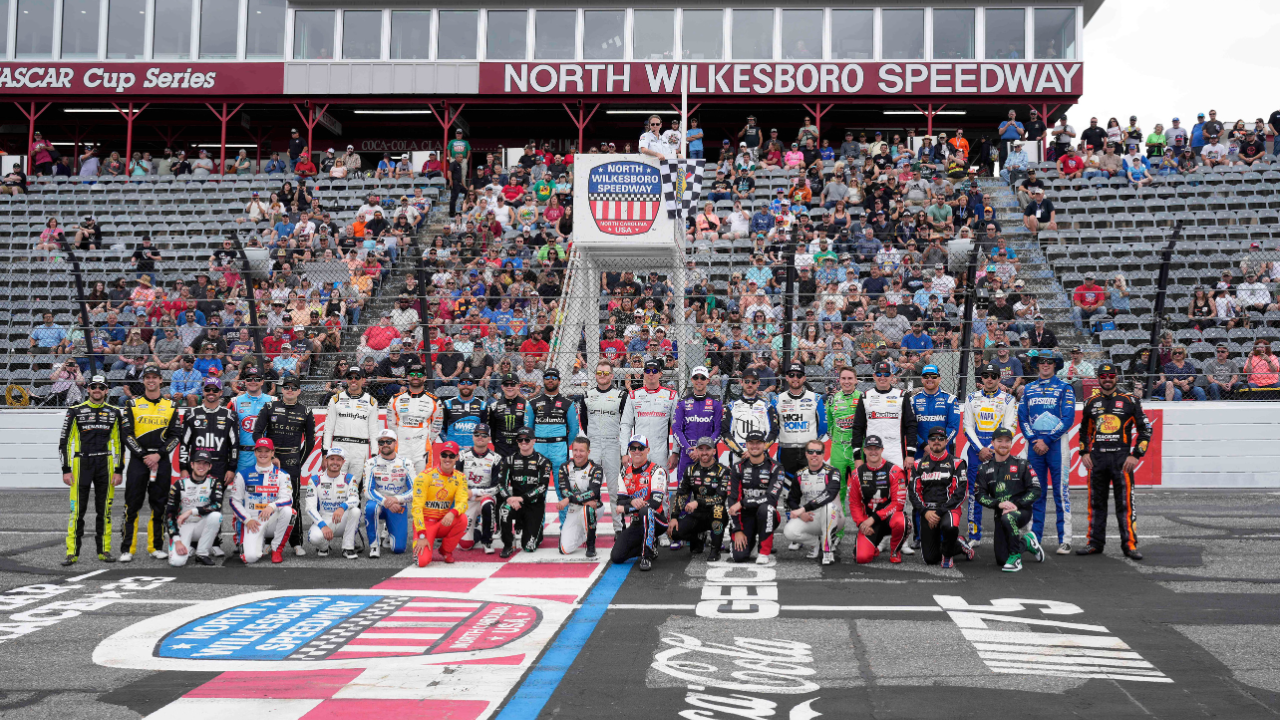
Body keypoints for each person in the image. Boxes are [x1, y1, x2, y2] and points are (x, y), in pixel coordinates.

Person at [1078, 363, 1151, 560]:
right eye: (1103, 375)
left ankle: (1130, 545)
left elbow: (1146, 430)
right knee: (1096, 504)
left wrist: (1136, 455)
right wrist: (1084, 452)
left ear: (1116, 377)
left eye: (1111, 375)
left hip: (1122, 460)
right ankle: (1094, 543)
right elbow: (1084, 431)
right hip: (1097, 460)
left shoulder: (1130, 400)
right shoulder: (1091, 402)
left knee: (1125, 505)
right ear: (1098, 378)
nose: (1107, 379)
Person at [59, 375, 124, 565]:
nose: (97, 390)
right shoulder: (75, 411)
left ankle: (104, 550)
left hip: (105, 463)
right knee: (77, 511)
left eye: (101, 387)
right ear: (88, 389)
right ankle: (72, 552)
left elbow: (119, 444)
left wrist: (119, 470)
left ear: (106, 391)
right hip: (81, 464)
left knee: (105, 510)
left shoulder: (114, 412)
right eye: (93, 386)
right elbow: (64, 443)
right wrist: (66, 469)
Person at [120, 365, 181, 562]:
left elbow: (175, 436)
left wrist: (159, 455)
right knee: (132, 505)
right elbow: (126, 435)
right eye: (148, 377)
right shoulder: (132, 404)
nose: (151, 380)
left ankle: (155, 546)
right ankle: (127, 548)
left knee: (160, 505)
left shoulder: (170, 406)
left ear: (161, 380)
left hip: (161, 462)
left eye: (155, 377)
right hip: (139, 462)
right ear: (143, 381)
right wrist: (144, 455)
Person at [1018, 353, 1076, 553]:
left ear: (1056, 365)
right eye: (1042, 362)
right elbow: (1022, 418)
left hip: (1057, 445)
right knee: (1035, 493)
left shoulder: (1064, 388)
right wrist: (1035, 440)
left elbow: (1068, 418)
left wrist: (1048, 440)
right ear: (1037, 365)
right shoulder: (1028, 389)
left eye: (1049, 362)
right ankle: (1034, 539)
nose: (1045, 365)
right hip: (1034, 446)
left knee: (1061, 492)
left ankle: (1065, 539)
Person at [253, 373, 316, 555]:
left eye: (293, 388)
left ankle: (296, 543)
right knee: (268, 500)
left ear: (299, 391)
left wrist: (299, 460)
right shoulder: (269, 406)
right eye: (287, 387)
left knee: (293, 500)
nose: (290, 390)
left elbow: (310, 441)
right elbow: (257, 433)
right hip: (270, 463)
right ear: (282, 389)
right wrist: (269, 457)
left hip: (291, 463)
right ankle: (267, 541)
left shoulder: (305, 411)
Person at [961, 363, 1019, 545]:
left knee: (1003, 495)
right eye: (986, 375)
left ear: (999, 379)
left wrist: (992, 448)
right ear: (981, 378)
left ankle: (1004, 535)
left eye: (993, 376)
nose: (989, 379)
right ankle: (974, 535)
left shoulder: (1008, 400)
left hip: (999, 452)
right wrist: (981, 449)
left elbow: (1010, 427)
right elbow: (967, 427)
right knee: (974, 494)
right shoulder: (972, 398)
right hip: (976, 452)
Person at [973, 428, 1044, 572]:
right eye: (1000, 441)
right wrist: (998, 504)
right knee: (1001, 559)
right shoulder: (983, 468)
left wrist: (1016, 505)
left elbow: (1036, 490)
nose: (1004, 444)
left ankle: (1016, 558)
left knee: (1009, 517)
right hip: (1000, 513)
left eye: (1007, 441)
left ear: (1011, 443)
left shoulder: (1022, 464)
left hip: (1021, 511)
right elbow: (979, 495)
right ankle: (1027, 542)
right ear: (992, 443)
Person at [909, 363, 961, 547]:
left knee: (945, 493)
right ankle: (918, 536)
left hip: (944, 454)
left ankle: (945, 532)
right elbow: (911, 427)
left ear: (939, 378)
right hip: (921, 453)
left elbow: (954, 427)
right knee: (919, 493)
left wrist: (941, 444)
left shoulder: (950, 400)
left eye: (933, 376)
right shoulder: (913, 401)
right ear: (921, 379)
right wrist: (925, 445)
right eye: (926, 377)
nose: (929, 380)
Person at [911, 427, 975, 567]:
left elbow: (960, 494)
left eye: (940, 438)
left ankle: (947, 554)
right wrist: (925, 512)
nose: (936, 441)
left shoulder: (958, 463)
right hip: (928, 512)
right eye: (933, 439)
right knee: (930, 559)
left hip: (949, 510)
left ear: (947, 441)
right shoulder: (918, 464)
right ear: (928, 442)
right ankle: (958, 543)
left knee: (949, 527)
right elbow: (913, 493)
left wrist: (940, 512)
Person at [230, 438, 295, 564]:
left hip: (272, 518)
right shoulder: (243, 474)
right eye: (260, 451)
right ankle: (253, 542)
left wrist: (271, 506)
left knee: (289, 512)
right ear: (255, 452)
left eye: (267, 451)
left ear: (272, 453)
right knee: (250, 558)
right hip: (253, 521)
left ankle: (276, 548)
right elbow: (234, 501)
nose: (263, 454)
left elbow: (287, 498)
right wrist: (247, 519)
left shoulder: (283, 475)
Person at [526, 368, 580, 520]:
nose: (550, 380)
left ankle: (566, 530)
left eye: (554, 377)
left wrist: (562, 444)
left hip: (559, 451)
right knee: (538, 491)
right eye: (547, 377)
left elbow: (574, 429)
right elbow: (528, 430)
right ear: (543, 380)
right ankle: (536, 530)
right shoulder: (533, 403)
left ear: (559, 380)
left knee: (562, 490)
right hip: (539, 451)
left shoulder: (568, 403)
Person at [612, 434, 670, 570]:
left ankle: (646, 556)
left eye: (641, 448)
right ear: (629, 451)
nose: (637, 451)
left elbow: (655, 503)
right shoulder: (624, 473)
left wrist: (627, 509)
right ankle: (649, 546)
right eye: (633, 448)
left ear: (647, 450)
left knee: (646, 511)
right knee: (616, 556)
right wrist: (632, 501)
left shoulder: (657, 471)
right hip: (638, 522)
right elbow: (621, 502)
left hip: (658, 521)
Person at [582, 360, 629, 531]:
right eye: (599, 373)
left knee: (614, 490)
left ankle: (619, 529)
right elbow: (584, 422)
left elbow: (626, 424)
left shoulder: (620, 396)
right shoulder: (587, 395)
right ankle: (590, 529)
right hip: (593, 445)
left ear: (611, 375)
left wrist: (624, 450)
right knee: (591, 489)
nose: (602, 376)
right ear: (595, 375)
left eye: (606, 373)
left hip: (612, 445)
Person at [848, 434, 908, 564]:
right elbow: (854, 503)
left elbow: (898, 504)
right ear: (864, 450)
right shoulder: (857, 474)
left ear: (882, 450)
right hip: (869, 522)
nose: (873, 452)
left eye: (876, 448)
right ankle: (872, 545)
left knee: (902, 522)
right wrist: (861, 524)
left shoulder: (894, 471)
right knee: (861, 558)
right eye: (870, 448)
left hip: (889, 518)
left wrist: (874, 518)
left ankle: (895, 550)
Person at [727, 431, 785, 565]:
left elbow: (771, 498)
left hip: (766, 514)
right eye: (751, 443)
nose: (754, 446)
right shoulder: (737, 468)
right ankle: (750, 542)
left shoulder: (776, 468)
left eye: (758, 442)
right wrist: (737, 530)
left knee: (767, 509)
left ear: (764, 445)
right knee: (739, 557)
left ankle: (764, 552)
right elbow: (732, 501)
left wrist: (743, 502)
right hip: (745, 517)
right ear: (746, 445)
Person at [669, 436, 731, 562]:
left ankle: (715, 549)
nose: (704, 452)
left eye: (707, 449)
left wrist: (698, 502)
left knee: (718, 510)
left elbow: (720, 498)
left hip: (716, 513)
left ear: (714, 451)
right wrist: (674, 517)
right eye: (701, 449)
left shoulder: (723, 471)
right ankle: (699, 538)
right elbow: (681, 494)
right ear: (696, 451)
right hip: (698, 514)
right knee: (674, 531)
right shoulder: (690, 470)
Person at [781, 439, 843, 564]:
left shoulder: (833, 472)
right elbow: (792, 499)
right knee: (789, 531)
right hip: (811, 517)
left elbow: (829, 495)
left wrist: (803, 509)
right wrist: (800, 513)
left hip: (834, 516)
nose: (814, 455)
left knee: (828, 507)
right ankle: (815, 543)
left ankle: (827, 550)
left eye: (818, 452)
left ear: (823, 454)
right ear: (806, 454)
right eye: (811, 451)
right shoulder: (799, 475)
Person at [497, 427, 555, 558]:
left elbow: (542, 487)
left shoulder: (543, 461)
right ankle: (508, 544)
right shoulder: (509, 460)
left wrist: (521, 499)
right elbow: (501, 484)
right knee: (504, 510)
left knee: (529, 548)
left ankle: (533, 532)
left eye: (527, 439)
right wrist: (509, 499)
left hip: (534, 506)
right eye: (520, 439)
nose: (523, 442)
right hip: (515, 504)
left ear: (534, 441)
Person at [850, 362, 918, 471]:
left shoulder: (901, 396)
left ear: (891, 376)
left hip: (895, 452)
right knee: (871, 487)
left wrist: (910, 454)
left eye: (886, 374)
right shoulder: (865, 397)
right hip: (871, 452)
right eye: (879, 374)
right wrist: (857, 457)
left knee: (898, 487)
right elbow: (858, 427)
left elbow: (911, 425)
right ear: (874, 376)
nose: (882, 377)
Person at [411, 440, 468, 566]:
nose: (447, 459)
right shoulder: (425, 476)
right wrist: (421, 535)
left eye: (451, 456)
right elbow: (416, 507)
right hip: (425, 524)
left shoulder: (460, 477)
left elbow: (463, 502)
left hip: (443, 521)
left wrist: (453, 512)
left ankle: (445, 550)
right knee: (422, 562)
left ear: (457, 458)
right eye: (444, 455)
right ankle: (423, 543)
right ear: (439, 456)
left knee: (462, 519)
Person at [165, 451, 224, 567]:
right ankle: (186, 544)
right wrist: (177, 541)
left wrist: (191, 511)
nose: (201, 467)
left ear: (210, 466)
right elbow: (169, 515)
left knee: (216, 516)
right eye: (198, 463)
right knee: (177, 562)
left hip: (202, 524)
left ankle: (202, 553)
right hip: (184, 526)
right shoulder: (179, 484)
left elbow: (217, 505)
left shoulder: (214, 483)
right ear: (192, 465)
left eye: (205, 464)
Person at [363, 429, 416, 557]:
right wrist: (387, 502)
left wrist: (396, 499)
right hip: (379, 503)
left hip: (398, 505)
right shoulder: (371, 463)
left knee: (398, 549)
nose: (384, 444)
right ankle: (374, 546)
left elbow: (415, 491)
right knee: (370, 508)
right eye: (381, 442)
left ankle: (388, 529)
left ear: (395, 443)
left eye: (388, 441)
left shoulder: (406, 463)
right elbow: (367, 491)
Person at [323, 367, 381, 482]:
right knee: (336, 485)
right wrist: (325, 453)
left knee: (355, 487)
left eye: (357, 377)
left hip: (360, 449)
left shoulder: (372, 401)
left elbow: (374, 431)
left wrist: (374, 455)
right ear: (346, 380)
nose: (353, 380)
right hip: (339, 448)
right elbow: (328, 428)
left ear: (363, 380)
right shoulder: (335, 399)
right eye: (350, 377)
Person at [774, 363, 828, 478]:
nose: (795, 378)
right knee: (786, 488)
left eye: (799, 375)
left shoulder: (816, 398)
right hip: (786, 450)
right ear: (787, 377)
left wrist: (812, 441)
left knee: (810, 487)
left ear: (804, 378)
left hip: (809, 451)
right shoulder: (777, 400)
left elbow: (823, 426)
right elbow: (774, 426)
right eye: (791, 375)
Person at [304, 448, 360, 558]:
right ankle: (324, 547)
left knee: (355, 511)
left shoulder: (349, 478)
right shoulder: (315, 480)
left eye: (339, 459)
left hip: (342, 519)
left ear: (343, 462)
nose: (335, 462)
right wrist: (322, 525)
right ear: (326, 460)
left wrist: (342, 507)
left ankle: (348, 548)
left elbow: (355, 498)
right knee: (314, 537)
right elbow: (310, 508)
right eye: (332, 459)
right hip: (323, 519)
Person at [389, 360, 443, 474]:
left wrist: (427, 440)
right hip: (401, 448)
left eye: (419, 374)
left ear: (424, 378)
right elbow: (391, 424)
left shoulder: (434, 401)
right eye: (412, 374)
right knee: (400, 483)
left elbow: (437, 425)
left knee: (422, 483)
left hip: (422, 449)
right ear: (408, 377)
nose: (415, 377)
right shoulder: (395, 399)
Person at [671, 365, 723, 484]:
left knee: (709, 496)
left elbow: (719, 430)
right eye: (696, 377)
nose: (699, 380)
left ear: (708, 380)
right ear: (692, 380)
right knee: (683, 495)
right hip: (688, 454)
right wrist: (689, 450)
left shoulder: (716, 403)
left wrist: (704, 449)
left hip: (708, 455)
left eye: (702, 378)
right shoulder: (682, 402)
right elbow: (676, 429)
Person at [720, 369, 780, 466]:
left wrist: (758, 451)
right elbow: (725, 432)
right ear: (741, 382)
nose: (750, 384)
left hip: (761, 458)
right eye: (747, 381)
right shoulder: (731, 406)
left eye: (753, 382)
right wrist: (740, 452)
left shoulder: (767, 407)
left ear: (758, 383)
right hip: (738, 457)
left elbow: (773, 432)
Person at [459, 424, 503, 553]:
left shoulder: (496, 458)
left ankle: (487, 541)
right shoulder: (462, 456)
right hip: (467, 499)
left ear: (489, 438)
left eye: (484, 435)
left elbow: (497, 486)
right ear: (472, 436)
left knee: (488, 504)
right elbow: (455, 482)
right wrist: (469, 494)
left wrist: (476, 493)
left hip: (485, 497)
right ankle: (476, 529)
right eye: (477, 434)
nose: (480, 437)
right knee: (465, 545)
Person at [557, 437, 604, 557]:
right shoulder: (564, 467)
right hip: (575, 507)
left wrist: (570, 498)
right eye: (575, 450)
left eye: (582, 451)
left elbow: (593, 492)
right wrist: (582, 501)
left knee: (587, 510)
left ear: (588, 452)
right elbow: (564, 492)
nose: (578, 454)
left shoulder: (596, 468)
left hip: (594, 507)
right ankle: (587, 533)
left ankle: (591, 544)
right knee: (564, 549)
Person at [229, 366, 276, 478]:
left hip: (265, 455)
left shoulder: (273, 401)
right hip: (243, 456)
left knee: (265, 492)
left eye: (257, 379)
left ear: (262, 382)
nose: (253, 382)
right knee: (242, 492)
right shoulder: (235, 402)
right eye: (249, 379)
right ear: (245, 382)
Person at [825, 367, 862, 496]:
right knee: (837, 488)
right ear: (839, 380)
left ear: (856, 380)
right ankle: (837, 516)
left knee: (861, 488)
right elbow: (829, 426)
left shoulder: (863, 398)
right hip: (838, 448)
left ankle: (862, 517)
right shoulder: (832, 399)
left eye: (850, 378)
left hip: (858, 449)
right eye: (844, 378)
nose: (847, 381)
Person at [486, 373, 529, 458]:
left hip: (520, 448)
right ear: (502, 387)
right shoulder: (494, 406)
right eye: (506, 384)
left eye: (512, 384)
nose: (509, 387)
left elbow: (529, 428)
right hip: (501, 448)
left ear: (518, 386)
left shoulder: (526, 405)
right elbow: (492, 429)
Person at [441, 373, 487, 447]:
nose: (466, 385)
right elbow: (442, 428)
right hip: (453, 452)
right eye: (463, 383)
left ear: (475, 386)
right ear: (458, 385)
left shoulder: (482, 405)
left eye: (469, 383)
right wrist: (449, 444)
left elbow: (484, 430)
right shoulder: (448, 404)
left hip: (473, 451)